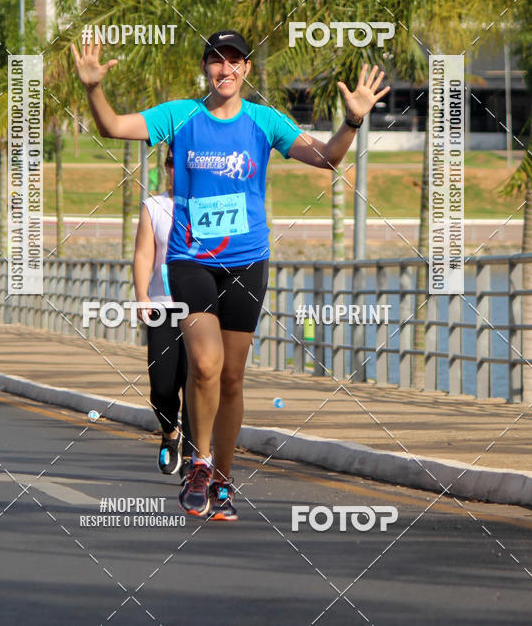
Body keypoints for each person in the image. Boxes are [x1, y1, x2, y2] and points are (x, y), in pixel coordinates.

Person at [72, 30, 389, 521]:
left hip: (247, 262)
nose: (226, 70)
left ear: (246, 70)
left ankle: (223, 476)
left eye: (235, 61)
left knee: (234, 378)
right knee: (203, 366)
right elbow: (113, 126)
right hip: (190, 261)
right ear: (206, 68)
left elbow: (327, 157)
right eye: (217, 62)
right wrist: (94, 89)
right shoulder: (181, 115)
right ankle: (198, 464)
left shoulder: (265, 121)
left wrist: (351, 121)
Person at [132, 149, 193, 477]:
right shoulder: (154, 207)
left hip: (203, 306)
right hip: (163, 305)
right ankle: (170, 433)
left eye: (184, 164)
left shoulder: (210, 205)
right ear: (166, 167)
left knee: (197, 380)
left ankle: (194, 452)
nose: (177, 170)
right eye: (172, 164)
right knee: (162, 385)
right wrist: (142, 296)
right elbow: (144, 255)